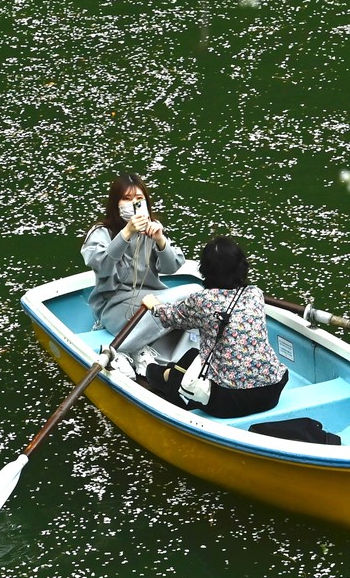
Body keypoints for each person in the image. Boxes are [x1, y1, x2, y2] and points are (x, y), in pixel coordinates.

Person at [138, 236, 288, 419]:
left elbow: (172, 318)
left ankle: (152, 371)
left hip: (229, 401)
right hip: (271, 392)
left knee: (173, 372)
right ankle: (166, 372)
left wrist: (154, 306)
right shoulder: (255, 294)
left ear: (205, 270)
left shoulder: (202, 301)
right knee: (192, 357)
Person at [82, 172, 186, 356]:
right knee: (167, 308)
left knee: (192, 292)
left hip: (151, 299)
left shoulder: (152, 228)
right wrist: (126, 234)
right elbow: (103, 266)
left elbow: (172, 267)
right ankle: (122, 351)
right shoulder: (101, 232)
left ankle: (148, 348)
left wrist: (160, 240)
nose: (133, 203)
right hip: (115, 306)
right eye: (127, 199)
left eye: (139, 198)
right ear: (116, 203)